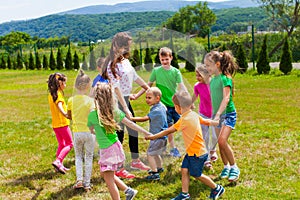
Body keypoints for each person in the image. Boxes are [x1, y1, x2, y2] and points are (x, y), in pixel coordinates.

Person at [145, 91, 225, 200]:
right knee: (184, 170)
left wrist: (153, 137)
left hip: (197, 154)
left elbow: (168, 131)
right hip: (193, 151)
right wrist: (216, 122)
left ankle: (216, 188)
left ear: (178, 107)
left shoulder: (184, 119)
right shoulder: (193, 114)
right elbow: (205, 121)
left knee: (196, 174)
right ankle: (184, 194)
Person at [87, 83, 151, 200]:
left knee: (109, 180)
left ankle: (124, 194)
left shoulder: (92, 115)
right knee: (105, 174)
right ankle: (128, 190)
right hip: (115, 147)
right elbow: (131, 124)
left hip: (107, 150)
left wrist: (97, 132)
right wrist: (145, 132)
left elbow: (91, 130)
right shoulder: (114, 112)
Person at [102, 32, 151, 178]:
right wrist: (125, 109)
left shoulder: (125, 61)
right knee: (119, 133)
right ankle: (117, 167)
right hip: (117, 101)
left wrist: (150, 90)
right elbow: (116, 87)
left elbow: (135, 77)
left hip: (125, 99)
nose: (127, 49)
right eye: (125, 47)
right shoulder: (111, 64)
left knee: (132, 131)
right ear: (117, 45)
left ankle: (135, 161)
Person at [133, 47, 188, 158]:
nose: (164, 62)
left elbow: (182, 87)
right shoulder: (156, 71)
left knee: (183, 125)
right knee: (169, 127)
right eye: (162, 60)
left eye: (167, 59)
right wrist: (137, 95)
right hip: (163, 106)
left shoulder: (176, 72)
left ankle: (188, 145)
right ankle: (172, 148)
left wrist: (188, 101)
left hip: (175, 105)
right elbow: (148, 86)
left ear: (171, 58)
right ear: (159, 59)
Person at [204, 50, 240, 182]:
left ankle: (234, 167)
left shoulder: (226, 78)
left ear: (217, 64)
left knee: (222, 141)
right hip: (216, 115)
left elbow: (226, 99)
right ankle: (226, 167)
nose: (207, 68)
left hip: (228, 114)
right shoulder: (213, 80)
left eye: (208, 65)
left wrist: (218, 114)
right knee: (220, 143)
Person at [130, 87, 168, 181]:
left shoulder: (156, 110)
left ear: (157, 98)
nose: (147, 100)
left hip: (156, 137)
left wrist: (131, 119)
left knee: (150, 154)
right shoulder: (162, 106)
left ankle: (154, 173)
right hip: (163, 136)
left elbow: (144, 118)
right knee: (156, 153)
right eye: (146, 97)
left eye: (149, 98)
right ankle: (159, 168)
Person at [67, 69, 95, 191]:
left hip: (77, 132)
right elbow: (93, 116)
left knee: (78, 156)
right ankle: (87, 184)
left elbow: (69, 115)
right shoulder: (90, 101)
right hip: (89, 133)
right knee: (88, 157)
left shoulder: (71, 100)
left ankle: (79, 180)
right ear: (88, 86)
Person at [191, 64, 217, 169]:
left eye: (199, 75)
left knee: (215, 136)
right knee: (204, 137)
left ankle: (213, 150)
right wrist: (190, 103)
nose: (197, 78)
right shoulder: (197, 86)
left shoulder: (214, 84)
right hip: (203, 114)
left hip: (215, 115)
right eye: (196, 75)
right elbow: (194, 96)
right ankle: (206, 159)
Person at [47, 72, 73, 174]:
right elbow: (60, 106)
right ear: (59, 84)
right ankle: (58, 161)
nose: (65, 85)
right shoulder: (58, 95)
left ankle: (59, 164)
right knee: (70, 144)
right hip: (62, 124)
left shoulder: (51, 94)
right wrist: (66, 114)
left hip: (55, 124)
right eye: (64, 83)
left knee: (61, 144)